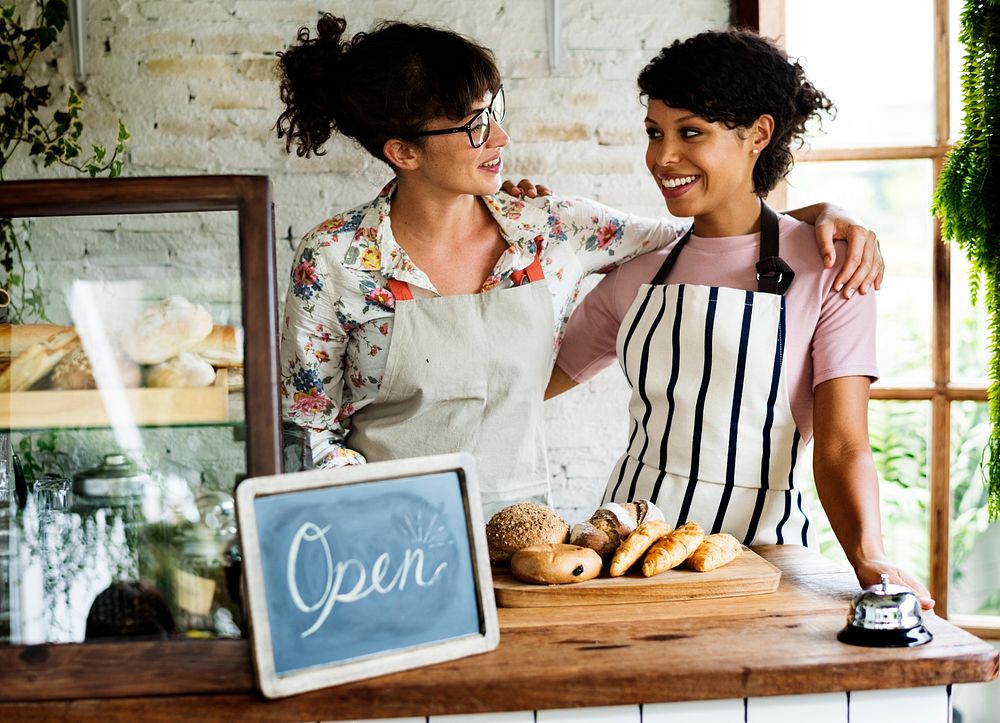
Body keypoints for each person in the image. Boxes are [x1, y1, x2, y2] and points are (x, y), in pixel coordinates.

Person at [275, 14, 884, 520]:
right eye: (474, 125)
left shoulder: (552, 229)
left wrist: (829, 213)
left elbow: (713, 232)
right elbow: (308, 429)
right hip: (376, 531)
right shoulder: (334, 260)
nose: (501, 137)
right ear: (403, 151)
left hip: (520, 533)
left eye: (495, 110)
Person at [547, 30, 932, 606]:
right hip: (625, 549)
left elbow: (842, 446)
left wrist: (869, 557)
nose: (662, 157)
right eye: (655, 133)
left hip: (761, 557)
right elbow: (523, 387)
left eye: (690, 133)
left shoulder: (830, 267)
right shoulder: (638, 273)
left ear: (758, 133)